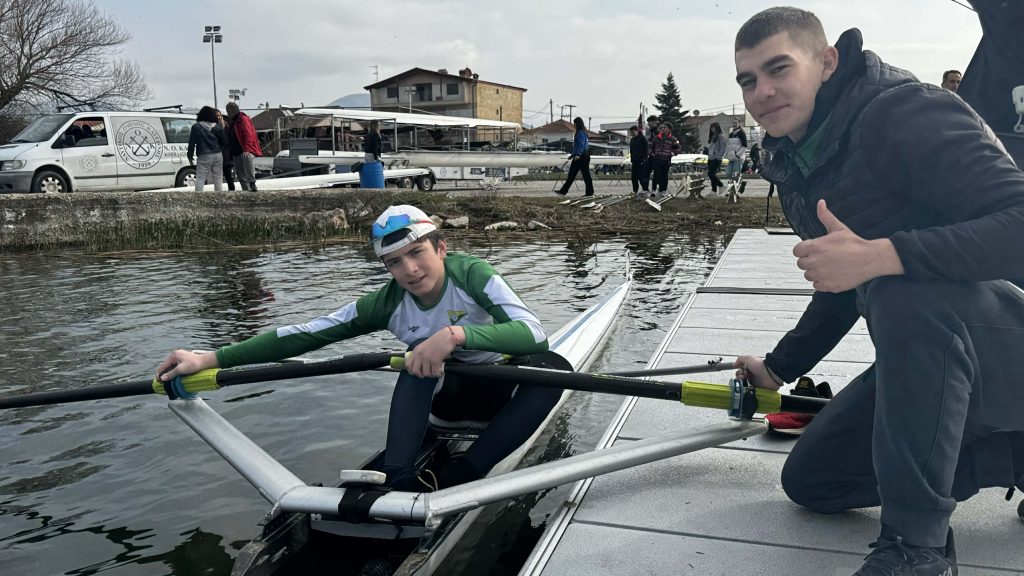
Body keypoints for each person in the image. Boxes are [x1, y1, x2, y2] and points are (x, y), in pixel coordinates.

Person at [732, 7, 1024, 575]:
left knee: (899, 289)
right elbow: (843, 282)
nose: (762, 92)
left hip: (1002, 340)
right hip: (941, 357)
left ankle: (918, 548)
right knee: (814, 479)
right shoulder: (798, 158)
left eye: (778, 69)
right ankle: (1012, 456)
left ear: (826, 62)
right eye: (748, 80)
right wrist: (778, 368)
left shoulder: (905, 113)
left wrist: (885, 255)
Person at [155, 205, 561, 491]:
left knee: (554, 366)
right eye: (394, 262)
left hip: (503, 391)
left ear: (441, 247)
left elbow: (533, 334)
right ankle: (398, 478)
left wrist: (455, 335)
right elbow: (303, 334)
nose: (409, 270)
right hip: (446, 400)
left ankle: (466, 473)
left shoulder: (473, 274)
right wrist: (207, 358)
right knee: (413, 361)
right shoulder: (385, 303)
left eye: (416, 253)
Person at [186, 106, 226, 192]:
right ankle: (219, 195)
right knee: (218, 177)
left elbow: (191, 143)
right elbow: (225, 142)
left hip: (203, 155)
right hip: (217, 154)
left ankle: (198, 196)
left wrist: (190, 156)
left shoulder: (196, 127)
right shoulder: (218, 127)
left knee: (200, 178)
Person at [225, 102, 261, 191]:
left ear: (232, 111)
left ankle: (252, 183)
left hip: (243, 150)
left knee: (247, 159)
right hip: (236, 151)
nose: (228, 114)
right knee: (240, 174)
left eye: (228, 111)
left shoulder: (243, 119)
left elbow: (248, 135)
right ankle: (246, 190)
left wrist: (246, 149)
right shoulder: (234, 121)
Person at [555, 117, 594, 196]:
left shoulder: (580, 133)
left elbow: (581, 145)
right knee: (582, 174)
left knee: (575, 174)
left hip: (581, 156)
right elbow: (578, 146)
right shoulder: (583, 132)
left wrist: (578, 154)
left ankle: (564, 191)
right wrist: (572, 155)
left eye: (575, 124)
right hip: (584, 155)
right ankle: (589, 192)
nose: (574, 125)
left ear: (577, 124)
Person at [648, 123, 679, 197]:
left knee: (664, 175)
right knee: (656, 174)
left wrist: (672, 153)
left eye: (664, 127)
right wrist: (651, 153)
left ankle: (663, 191)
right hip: (657, 159)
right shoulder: (656, 138)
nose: (662, 129)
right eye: (661, 127)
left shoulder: (673, 139)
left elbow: (678, 148)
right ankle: (653, 190)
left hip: (666, 160)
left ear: (669, 129)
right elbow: (650, 146)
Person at [216, 109, 235, 191]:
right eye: (216, 116)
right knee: (218, 176)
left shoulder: (226, 126)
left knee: (228, 175)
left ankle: (231, 191)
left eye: (219, 115)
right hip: (217, 153)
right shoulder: (212, 127)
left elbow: (228, 140)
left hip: (225, 154)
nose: (218, 117)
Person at [723, 117, 748, 183]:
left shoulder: (742, 133)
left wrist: (738, 155)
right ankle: (737, 182)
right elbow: (728, 146)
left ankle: (735, 185)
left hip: (738, 158)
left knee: (735, 174)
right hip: (731, 157)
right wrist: (726, 154)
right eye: (733, 123)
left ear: (739, 123)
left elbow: (745, 146)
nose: (734, 124)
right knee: (728, 173)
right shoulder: (731, 134)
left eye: (736, 123)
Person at [628, 126, 649, 197]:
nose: (632, 133)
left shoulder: (643, 138)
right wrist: (632, 159)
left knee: (641, 176)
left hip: (641, 160)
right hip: (634, 161)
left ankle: (645, 189)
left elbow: (646, 149)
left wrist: (644, 159)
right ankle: (635, 190)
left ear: (637, 131)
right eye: (631, 132)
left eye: (633, 132)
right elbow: (631, 151)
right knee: (634, 177)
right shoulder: (632, 140)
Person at [707, 122, 726, 195]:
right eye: (711, 128)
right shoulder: (713, 136)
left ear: (717, 128)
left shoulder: (720, 136)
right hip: (711, 157)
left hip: (716, 158)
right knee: (712, 174)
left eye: (713, 127)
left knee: (710, 174)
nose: (712, 129)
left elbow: (723, 147)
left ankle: (721, 185)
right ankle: (714, 190)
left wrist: (719, 156)